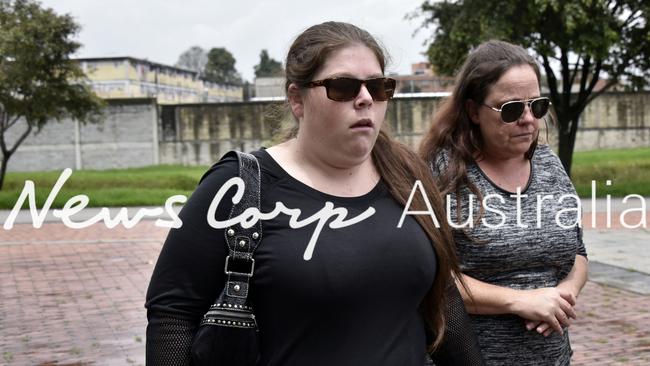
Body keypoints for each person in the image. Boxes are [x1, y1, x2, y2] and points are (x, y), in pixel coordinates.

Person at [145, 21, 484, 366]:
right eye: (343, 86)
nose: (365, 99)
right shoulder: (239, 186)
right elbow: (173, 313)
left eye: (378, 86)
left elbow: (441, 297)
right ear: (297, 99)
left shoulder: (408, 173)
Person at [418, 40, 589, 365]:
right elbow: (430, 277)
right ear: (472, 111)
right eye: (511, 109)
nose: (528, 119)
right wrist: (519, 301)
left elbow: (578, 253)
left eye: (537, 106)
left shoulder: (550, 165)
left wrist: (564, 293)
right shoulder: (441, 174)